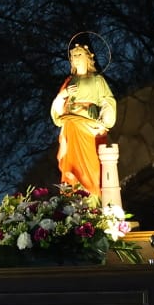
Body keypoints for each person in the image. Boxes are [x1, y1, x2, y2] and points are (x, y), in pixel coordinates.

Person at [50, 38, 116, 194]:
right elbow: (57, 105)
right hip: (71, 125)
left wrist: (104, 121)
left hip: (89, 126)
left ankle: (92, 196)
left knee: (91, 163)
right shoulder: (69, 81)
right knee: (71, 163)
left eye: (79, 54)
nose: (75, 58)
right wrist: (64, 94)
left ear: (88, 58)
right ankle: (71, 197)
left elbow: (108, 100)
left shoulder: (97, 80)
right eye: (73, 56)